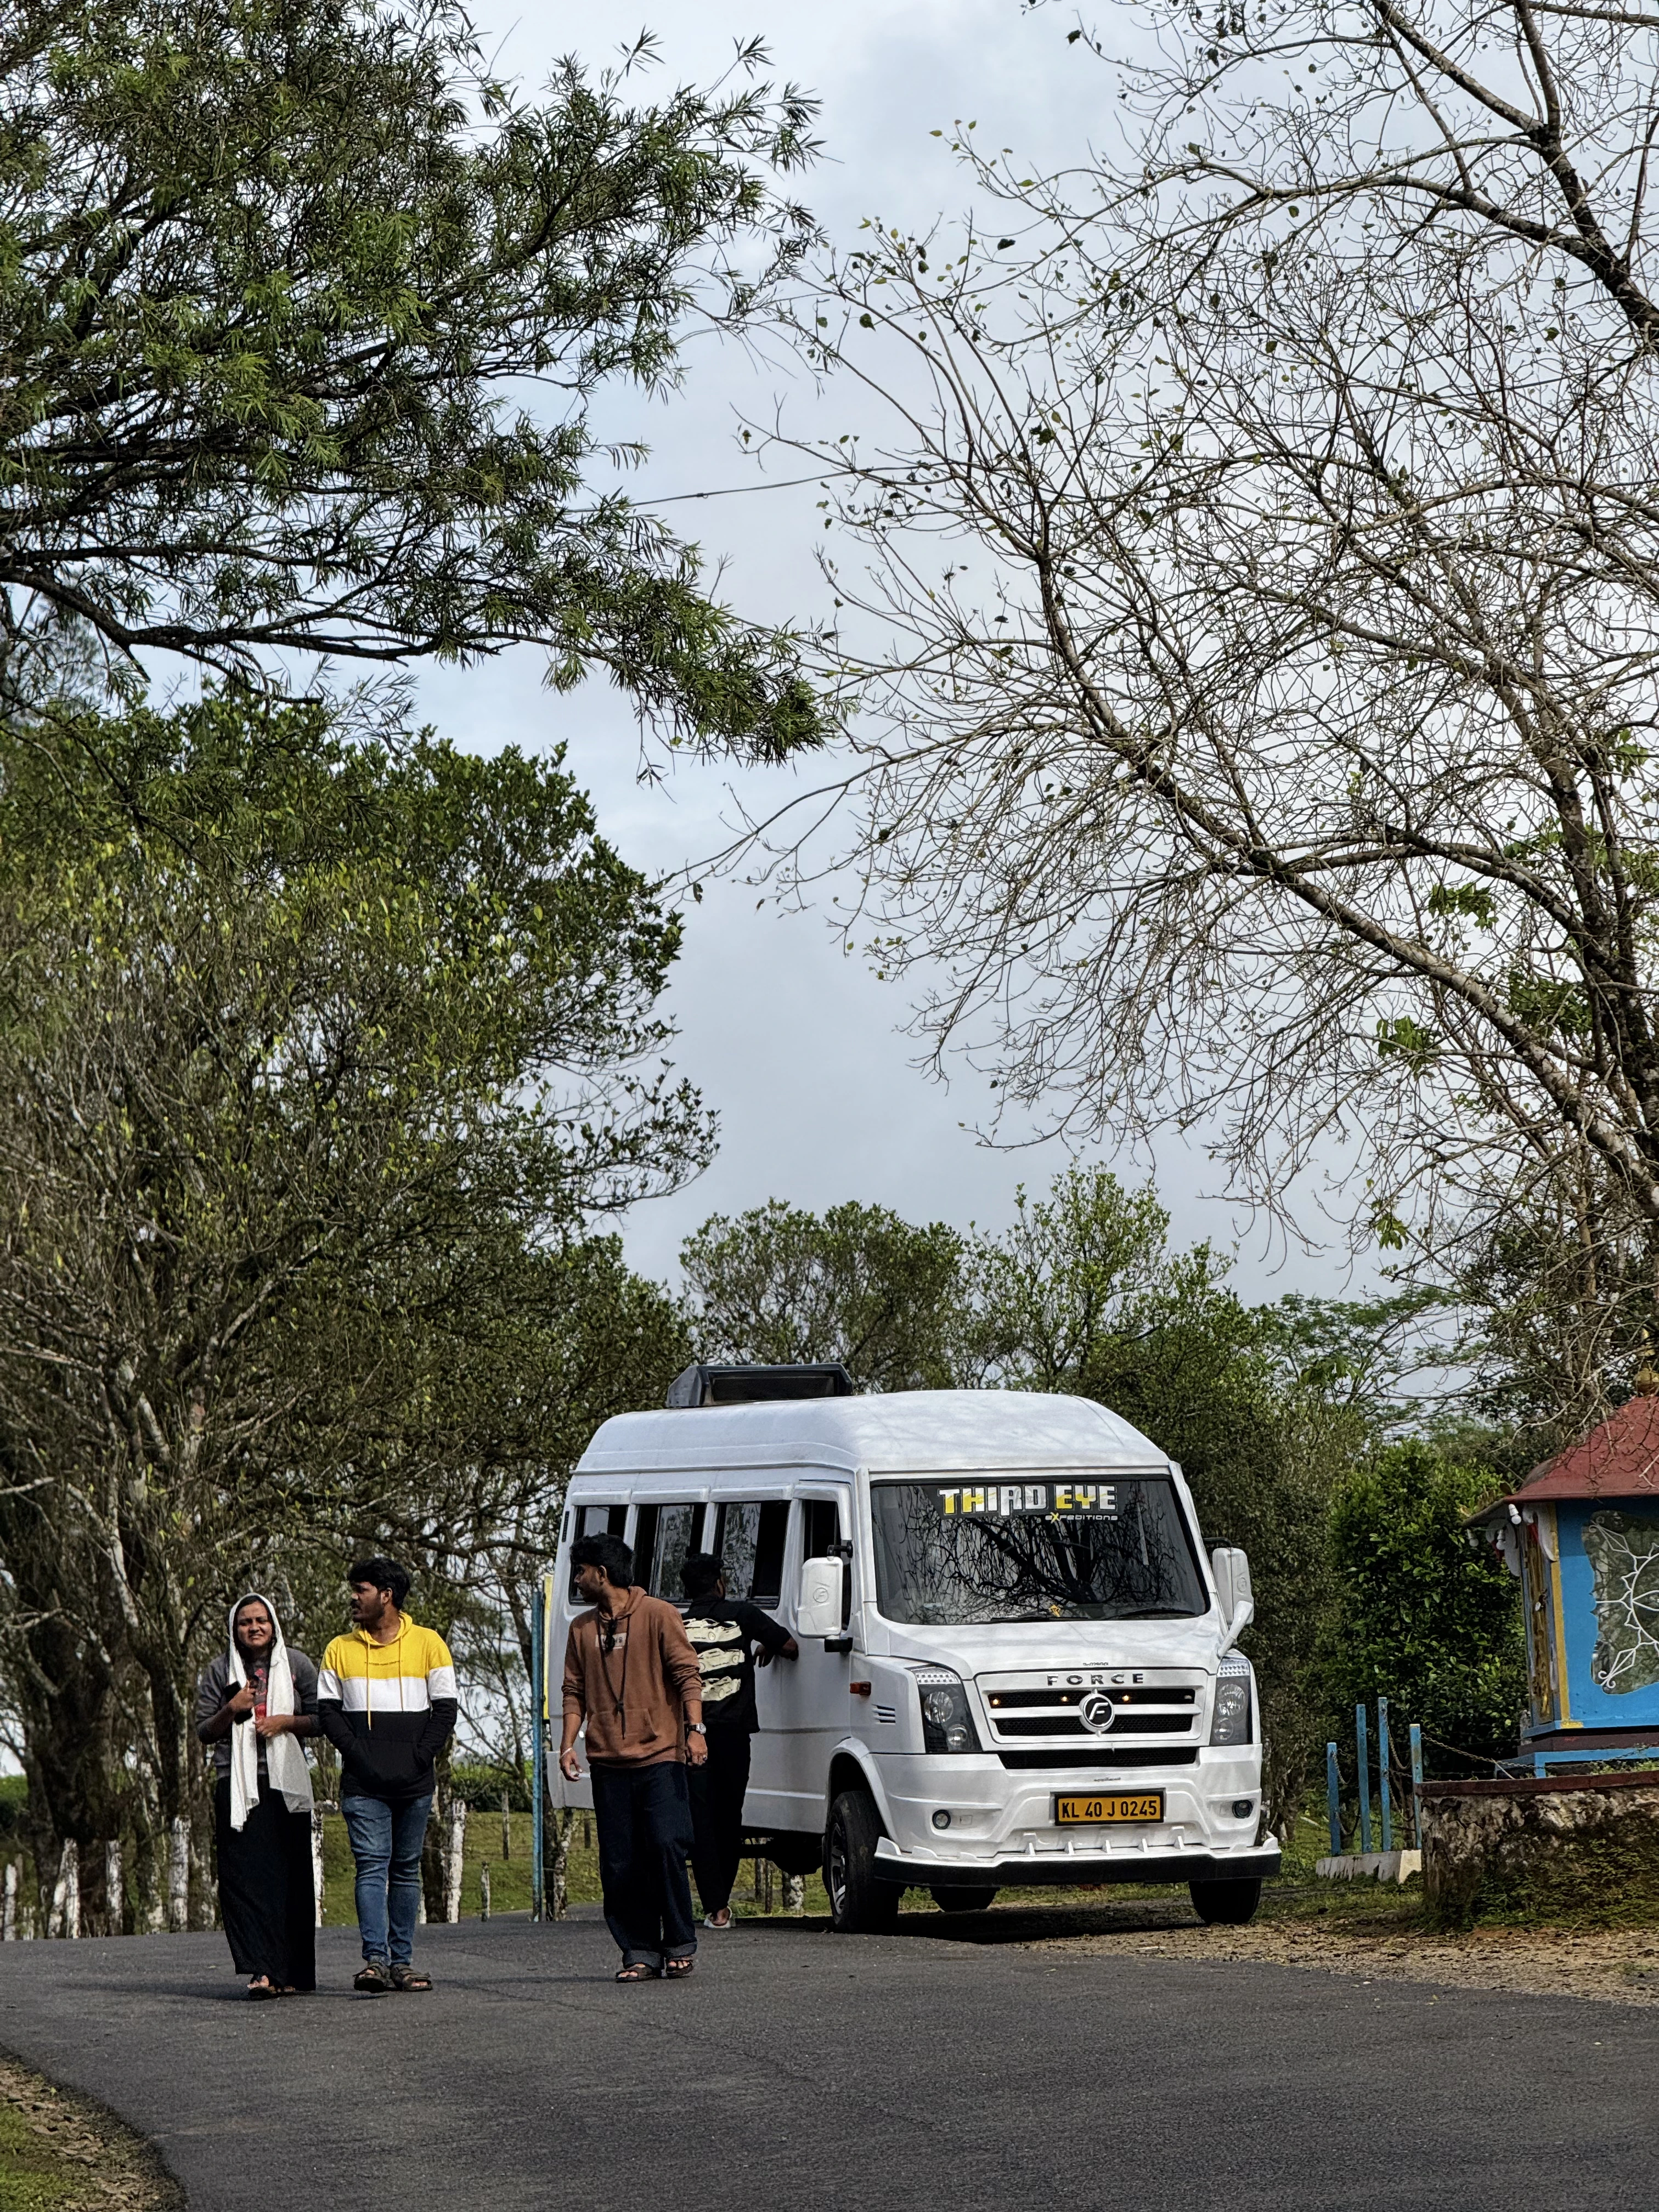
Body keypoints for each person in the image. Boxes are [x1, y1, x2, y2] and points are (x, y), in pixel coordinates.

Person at [559, 1532, 707, 1982]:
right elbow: (573, 1692)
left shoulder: (659, 1615)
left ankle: (680, 1941)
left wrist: (695, 1731)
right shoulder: (581, 1628)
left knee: (665, 1845)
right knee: (620, 1862)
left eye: (580, 1571)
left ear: (601, 1574)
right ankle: (639, 1951)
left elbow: (688, 1675)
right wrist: (569, 1744)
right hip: (608, 1763)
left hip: (661, 1755)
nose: (576, 1580)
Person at [317, 1556, 457, 1996]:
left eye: (361, 1590)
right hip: (363, 1784)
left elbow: (446, 1709)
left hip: (415, 1782)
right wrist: (361, 1756)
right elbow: (327, 1712)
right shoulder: (339, 1648)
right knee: (372, 1867)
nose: (353, 1598)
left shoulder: (430, 1643)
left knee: (406, 1870)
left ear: (387, 1596)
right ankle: (374, 1962)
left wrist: (418, 1758)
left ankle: (403, 1963)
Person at [195, 1593, 320, 1998]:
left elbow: (324, 1719)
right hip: (237, 1786)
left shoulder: (297, 1665)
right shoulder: (220, 1671)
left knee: (290, 1879)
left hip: (286, 1784)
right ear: (235, 1630)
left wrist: (285, 1722)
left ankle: (291, 1973)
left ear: (274, 1624)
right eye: (245, 1622)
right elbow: (204, 1731)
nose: (254, 1628)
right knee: (245, 1881)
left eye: (261, 1620)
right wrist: (232, 1708)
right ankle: (261, 1970)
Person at [676, 1551, 797, 1931]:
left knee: (701, 1821)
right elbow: (791, 1647)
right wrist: (766, 1645)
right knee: (729, 1819)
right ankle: (721, 1905)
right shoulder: (743, 1615)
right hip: (733, 1736)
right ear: (720, 1583)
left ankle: (714, 1905)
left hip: (693, 1735)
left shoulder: (677, 1624)